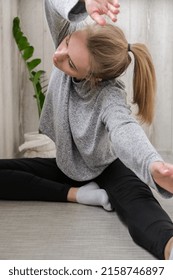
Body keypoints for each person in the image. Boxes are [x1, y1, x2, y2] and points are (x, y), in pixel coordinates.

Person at [1, 0, 173, 259]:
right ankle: (80, 195)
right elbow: (51, 3)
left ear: (94, 79)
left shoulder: (108, 95)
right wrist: (81, 3)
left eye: (70, 63)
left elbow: (124, 129)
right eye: (67, 43)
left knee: (139, 205)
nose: (58, 55)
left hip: (109, 168)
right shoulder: (70, 35)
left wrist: (152, 165)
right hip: (68, 165)